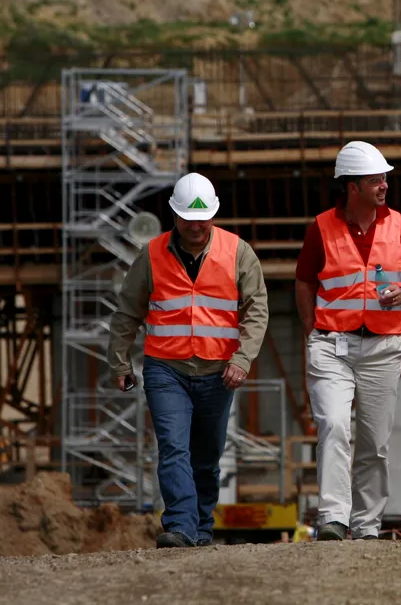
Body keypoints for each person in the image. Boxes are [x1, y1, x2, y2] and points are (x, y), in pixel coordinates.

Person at [108, 172, 269, 549]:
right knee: (173, 447)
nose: (196, 227)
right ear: (174, 216)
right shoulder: (151, 255)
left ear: (213, 215)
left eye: (203, 219)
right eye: (188, 219)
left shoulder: (238, 252)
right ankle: (180, 525)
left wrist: (243, 359)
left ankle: (201, 528)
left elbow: (257, 308)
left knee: (207, 457)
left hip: (219, 372)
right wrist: (119, 363)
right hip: (167, 369)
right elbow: (127, 311)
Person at [295, 141, 401, 541]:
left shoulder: (399, 225)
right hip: (331, 345)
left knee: (375, 442)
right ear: (352, 187)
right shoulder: (321, 228)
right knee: (335, 425)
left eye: (385, 178)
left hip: (382, 349)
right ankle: (334, 518)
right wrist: (311, 330)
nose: (384, 185)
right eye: (375, 180)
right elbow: (304, 282)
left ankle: (367, 526)